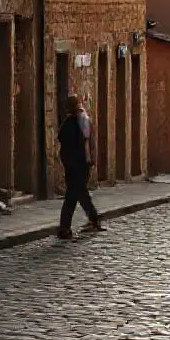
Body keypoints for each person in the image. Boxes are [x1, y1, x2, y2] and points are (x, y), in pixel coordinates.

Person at [57, 94, 103, 238]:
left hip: (75, 164)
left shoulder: (71, 123)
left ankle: (64, 228)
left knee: (71, 196)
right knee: (81, 193)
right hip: (83, 163)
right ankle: (94, 219)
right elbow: (90, 142)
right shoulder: (85, 120)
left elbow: (64, 143)